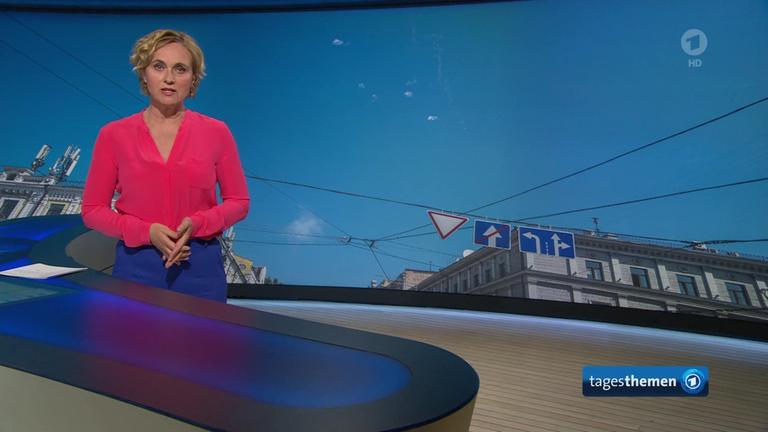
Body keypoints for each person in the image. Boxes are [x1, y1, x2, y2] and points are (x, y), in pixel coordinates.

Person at [82, 29, 250, 302]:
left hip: (200, 269)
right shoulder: (113, 135)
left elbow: (239, 202)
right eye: (159, 66)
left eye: (180, 69)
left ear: (193, 79)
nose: (169, 78)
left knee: (200, 333)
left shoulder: (217, 132)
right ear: (144, 74)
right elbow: (92, 210)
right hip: (136, 268)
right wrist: (146, 232)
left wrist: (198, 224)